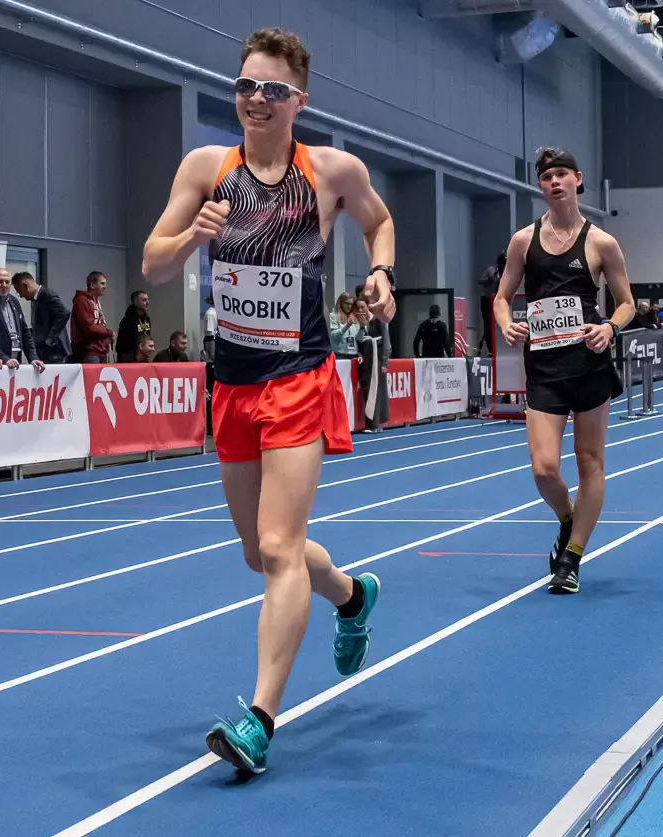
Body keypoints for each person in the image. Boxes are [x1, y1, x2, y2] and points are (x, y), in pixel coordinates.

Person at [141, 26, 396, 773]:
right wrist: (194, 232)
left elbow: (379, 221)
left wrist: (380, 274)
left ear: (299, 101)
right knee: (260, 553)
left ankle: (259, 718)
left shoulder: (331, 170)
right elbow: (154, 264)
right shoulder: (206, 167)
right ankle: (351, 595)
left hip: (300, 377)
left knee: (282, 546)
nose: (256, 99)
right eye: (246, 86)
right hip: (232, 381)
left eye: (273, 90)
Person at [494, 147, 635, 595]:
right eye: (546, 177)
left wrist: (610, 328)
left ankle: (571, 558)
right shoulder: (523, 241)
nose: (554, 182)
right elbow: (501, 297)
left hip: (589, 363)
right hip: (544, 366)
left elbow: (627, 302)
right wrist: (505, 324)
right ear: (540, 186)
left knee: (590, 462)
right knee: (544, 468)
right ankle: (568, 518)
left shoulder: (601, 242)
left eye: (561, 175)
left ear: (577, 179)